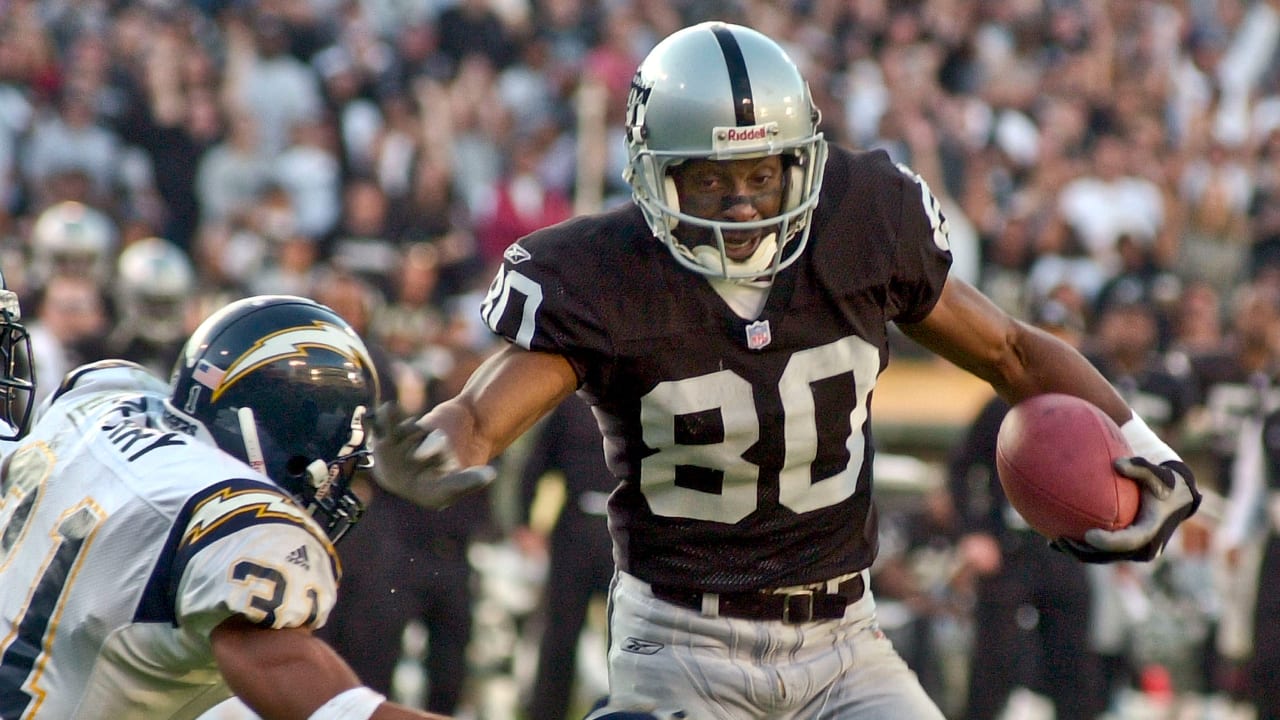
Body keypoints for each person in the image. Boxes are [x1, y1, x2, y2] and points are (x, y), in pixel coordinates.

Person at [369, 22, 1202, 719]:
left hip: (844, 636)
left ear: (801, 160)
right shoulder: (601, 272)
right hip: (679, 641)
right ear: (654, 169)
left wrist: (1148, 450)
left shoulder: (864, 220)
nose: (741, 203)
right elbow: (480, 415)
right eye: (711, 177)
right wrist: (436, 450)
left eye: (762, 174)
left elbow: (1014, 352)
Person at [0, 294, 449, 719]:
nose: (333, 484)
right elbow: (327, 710)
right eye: (334, 466)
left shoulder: (107, 398)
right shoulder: (243, 523)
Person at [949, 299, 1101, 720]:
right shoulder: (1000, 405)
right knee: (992, 668)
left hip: (1068, 549)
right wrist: (974, 531)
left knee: (1073, 670)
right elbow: (962, 470)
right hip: (1009, 549)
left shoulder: (1095, 407)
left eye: (1063, 337)